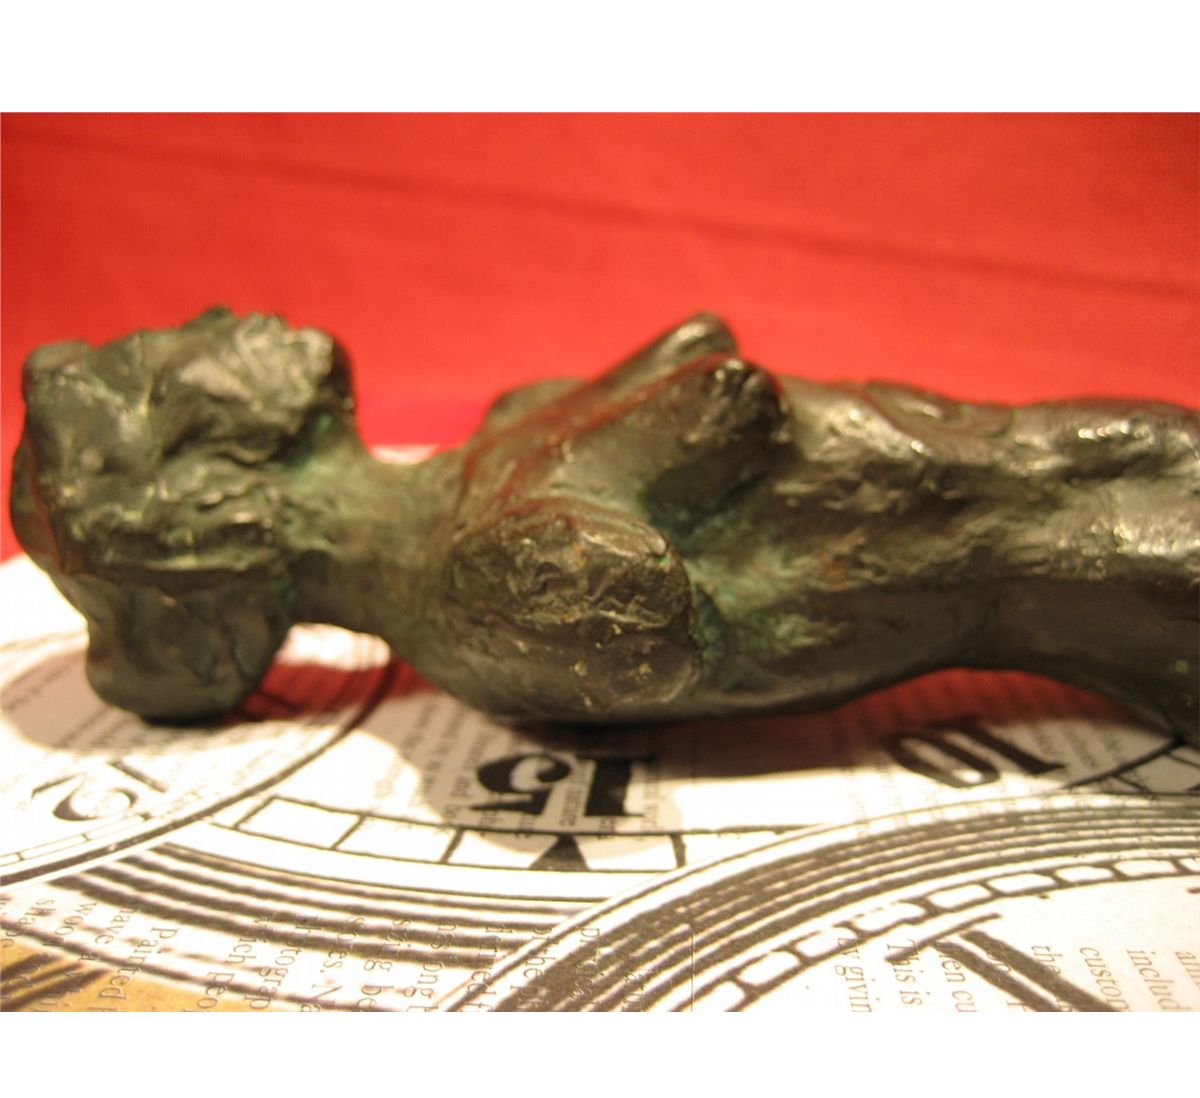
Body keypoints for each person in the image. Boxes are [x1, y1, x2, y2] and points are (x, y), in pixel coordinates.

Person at [12, 309, 1199, 741]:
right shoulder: (479, 580)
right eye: (155, 369)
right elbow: (639, 612)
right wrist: (653, 438)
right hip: (1101, 565)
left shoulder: (484, 452)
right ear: (199, 512)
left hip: (1064, 472)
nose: (214, 316)